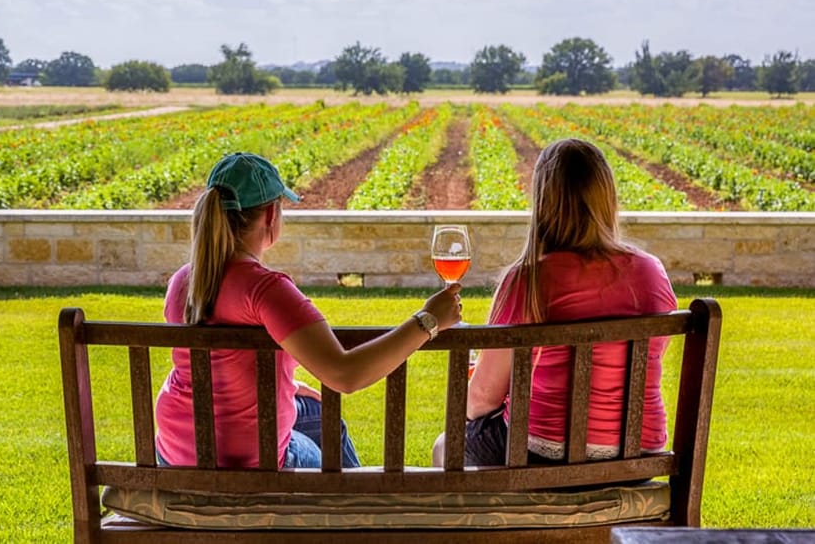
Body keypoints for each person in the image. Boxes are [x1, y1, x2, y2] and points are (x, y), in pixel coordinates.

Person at [155, 152, 462, 469]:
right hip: (247, 464)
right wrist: (428, 321)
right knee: (329, 441)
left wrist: (286, 386)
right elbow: (345, 374)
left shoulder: (184, 281)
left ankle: (351, 503)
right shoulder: (265, 289)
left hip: (175, 452)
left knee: (316, 411)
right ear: (271, 215)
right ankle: (351, 503)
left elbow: (217, 366)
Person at [432, 138, 678, 467]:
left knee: (446, 445)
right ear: (607, 197)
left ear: (543, 202)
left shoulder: (527, 281)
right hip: (637, 458)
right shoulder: (651, 273)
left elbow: (479, 402)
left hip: (541, 455)